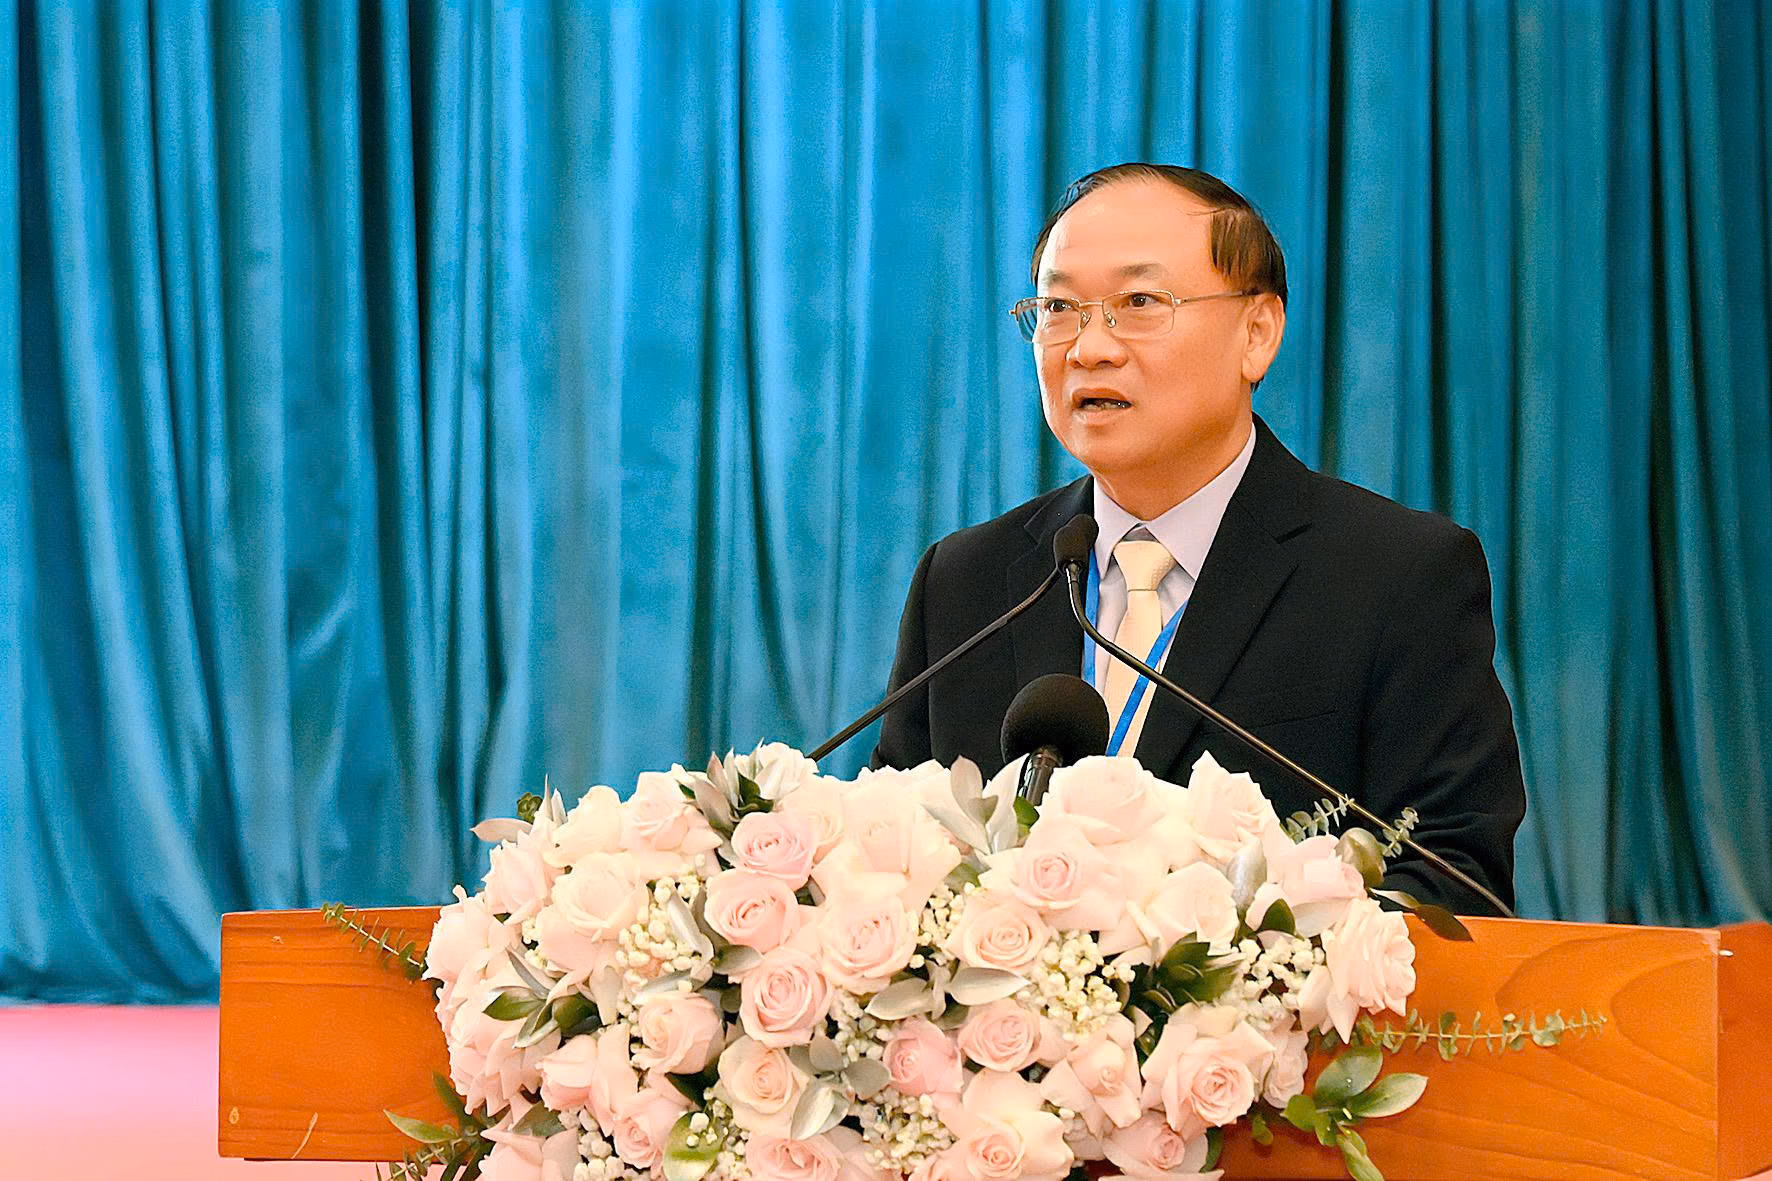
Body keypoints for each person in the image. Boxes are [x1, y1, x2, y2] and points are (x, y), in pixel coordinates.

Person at [871, 163, 1526, 915]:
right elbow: (887, 855)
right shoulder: (966, 582)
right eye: (1058, 308)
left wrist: (1240, 962)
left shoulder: (1397, 577)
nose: (1088, 348)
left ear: (1258, 334)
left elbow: (1455, 882)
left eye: (1139, 303)